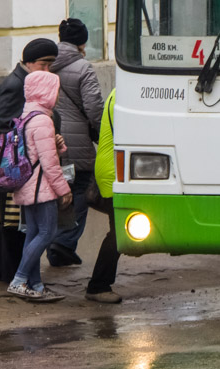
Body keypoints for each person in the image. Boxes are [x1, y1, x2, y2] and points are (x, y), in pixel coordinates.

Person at [0, 38, 60, 284]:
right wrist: (30, 134)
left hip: (21, 164)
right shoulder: (15, 84)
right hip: (17, 166)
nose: (47, 70)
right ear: (29, 62)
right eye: (44, 64)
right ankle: (14, 276)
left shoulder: (28, 81)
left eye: (52, 65)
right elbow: (1, 123)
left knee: (12, 221)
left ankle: (0, 272)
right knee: (14, 224)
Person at [8, 70, 73, 302]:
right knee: (47, 233)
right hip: (41, 188)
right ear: (46, 92)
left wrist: (59, 146)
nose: (57, 95)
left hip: (26, 184)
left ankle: (35, 285)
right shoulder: (43, 120)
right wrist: (63, 190)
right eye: (55, 90)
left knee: (33, 233)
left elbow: (41, 152)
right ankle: (19, 280)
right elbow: (50, 163)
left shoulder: (26, 116)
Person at [47, 18, 105, 267]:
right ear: (82, 42)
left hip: (47, 139)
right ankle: (63, 242)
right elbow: (94, 109)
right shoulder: (83, 68)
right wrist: (105, 133)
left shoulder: (44, 64)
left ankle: (53, 243)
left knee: (55, 189)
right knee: (81, 189)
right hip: (76, 144)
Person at [86, 90, 123, 304]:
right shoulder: (123, 96)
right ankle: (98, 285)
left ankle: (99, 284)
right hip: (113, 171)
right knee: (118, 233)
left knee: (118, 231)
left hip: (112, 168)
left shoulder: (119, 93)